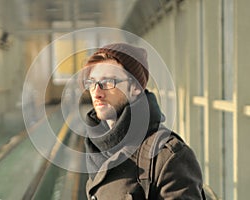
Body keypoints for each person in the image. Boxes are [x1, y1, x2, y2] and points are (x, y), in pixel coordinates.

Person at [81, 43, 204, 200]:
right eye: (92, 83)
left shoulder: (168, 157)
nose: (96, 93)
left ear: (135, 87)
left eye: (108, 82)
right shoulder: (97, 147)